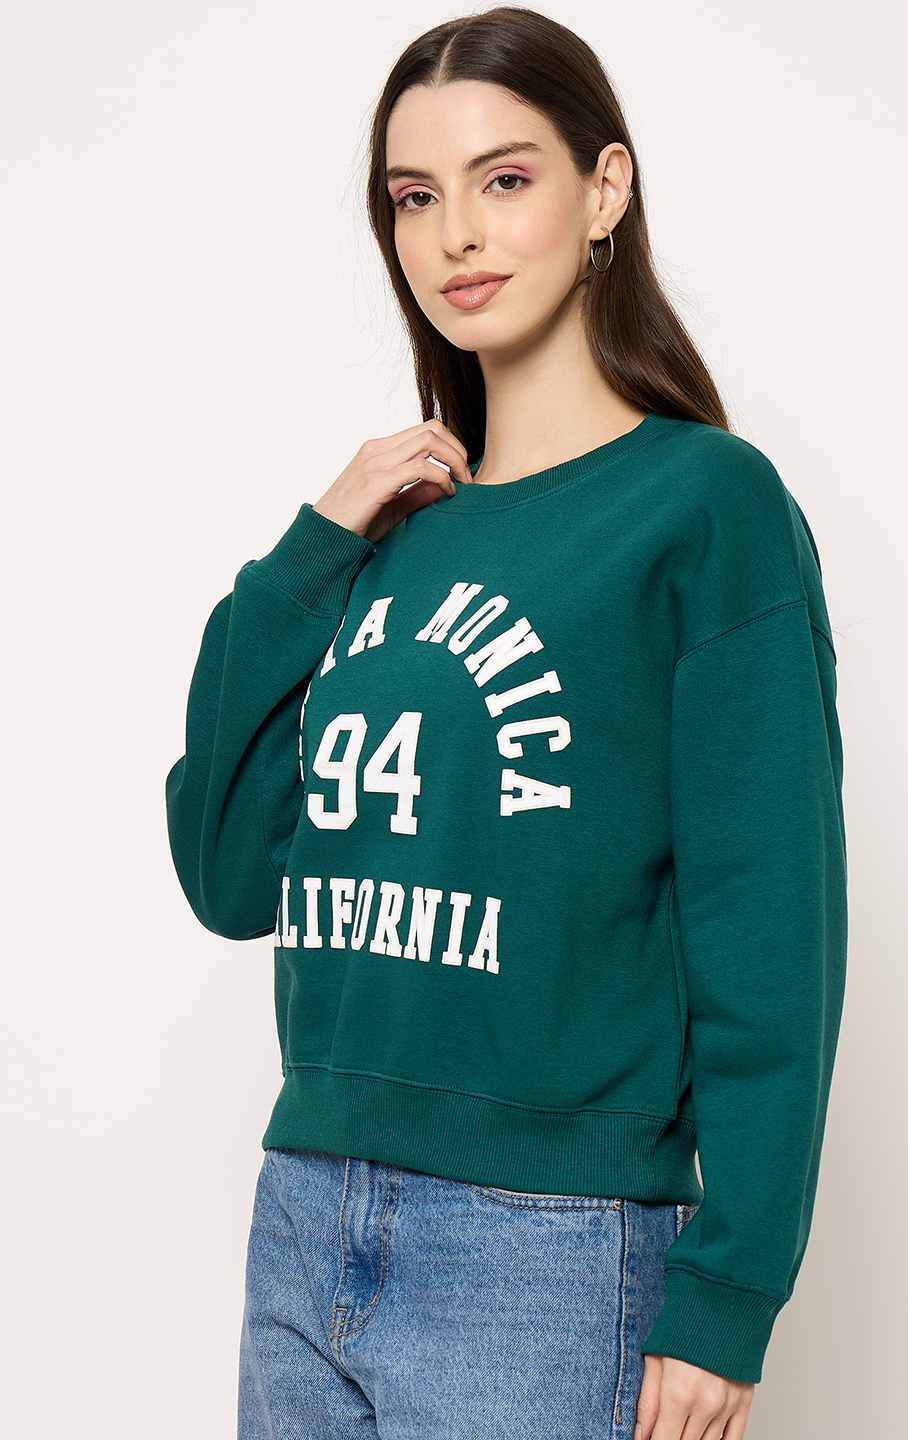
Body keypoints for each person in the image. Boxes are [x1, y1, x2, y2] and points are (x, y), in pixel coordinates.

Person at [164, 8, 848, 1438]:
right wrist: (311, 547)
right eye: (415, 197)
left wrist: (729, 1292)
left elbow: (770, 929)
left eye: (506, 178)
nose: (457, 235)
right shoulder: (385, 535)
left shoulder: (702, 508)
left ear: (606, 190)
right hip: (306, 1208)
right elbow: (228, 876)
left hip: (543, 1248)